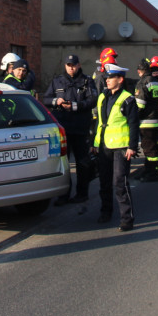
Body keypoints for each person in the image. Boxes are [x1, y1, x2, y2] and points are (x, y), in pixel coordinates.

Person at [91, 63, 139, 232]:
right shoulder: (103, 97)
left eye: (110, 78)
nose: (107, 81)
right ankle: (105, 212)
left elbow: (134, 124)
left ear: (120, 79)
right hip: (104, 146)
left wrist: (132, 146)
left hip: (121, 147)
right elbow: (99, 123)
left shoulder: (128, 99)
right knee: (104, 182)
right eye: (106, 78)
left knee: (120, 183)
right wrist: (95, 144)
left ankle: (127, 219)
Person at [45, 54, 98, 205]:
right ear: (65, 66)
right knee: (64, 164)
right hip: (63, 129)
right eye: (68, 65)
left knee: (83, 163)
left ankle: (82, 193)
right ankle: (64, 195)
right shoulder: (57, 81)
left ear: (79, 65)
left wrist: (75, 106)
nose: (71, 68)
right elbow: (46, 99)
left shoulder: (87, 81)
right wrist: (57, 101)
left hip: (81, 128)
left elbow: (92, 100)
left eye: (73, 65)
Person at [133, 57, 158, 182]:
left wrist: (133, 117)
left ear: (139, 71)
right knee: (151, 147)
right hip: (155, 118)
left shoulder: (143, 82)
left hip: (146, 120)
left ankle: (152, 173)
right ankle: (148, 171)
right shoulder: (156, 82)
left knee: (149, 149)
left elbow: (140, 104)